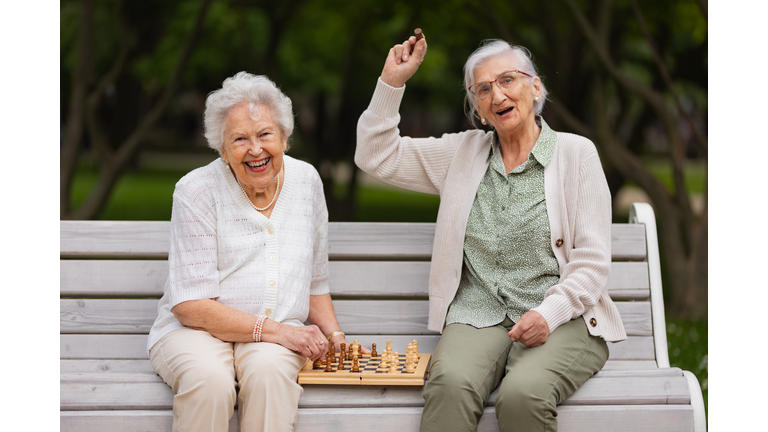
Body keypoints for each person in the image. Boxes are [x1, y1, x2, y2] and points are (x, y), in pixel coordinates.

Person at [355, 34, 628, 432]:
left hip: (565, 315)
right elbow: (375, 156)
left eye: (507, 80)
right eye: (483, 89)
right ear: (478, 108)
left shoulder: (576, 154)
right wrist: (391, 81)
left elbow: (590, 263)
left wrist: (546, 315)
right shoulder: (462, 154)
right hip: (478, 312)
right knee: (448, 385)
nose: (496, 94)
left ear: (535, 88)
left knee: (523, 396)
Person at [147, 71, 354, 432]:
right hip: (196, 332)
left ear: (285, 138)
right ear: (223, 150)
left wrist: (335, 337)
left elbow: (315, 280)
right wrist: (275, 331)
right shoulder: (196, 190)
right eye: (239, 139)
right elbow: (190, 306)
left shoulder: (306, 182)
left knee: (270, 374)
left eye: (264, 134)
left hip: (276, 337)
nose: (255, 149)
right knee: (209, 380)